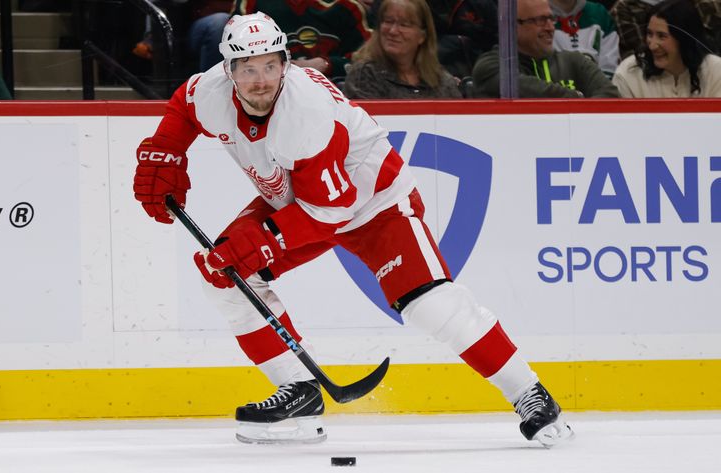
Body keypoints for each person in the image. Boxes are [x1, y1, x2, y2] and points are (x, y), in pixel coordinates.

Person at [133, 11, 574, 447]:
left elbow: (332, 209)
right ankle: (299, 390)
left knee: (430, 305)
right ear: (228, 70)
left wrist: (266, 240)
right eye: (248, 69)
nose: (261, 79)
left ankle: (530, 394)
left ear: (286, 63)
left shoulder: (305, 113)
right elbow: (183, 108)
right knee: (224, 276)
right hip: (297, 198)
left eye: (270, 65)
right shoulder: (209, 91)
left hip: (374, 203)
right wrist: (166, 152)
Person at [471, 0, 620, 97]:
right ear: (512, 26)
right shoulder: (491, 66)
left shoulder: (575, 62)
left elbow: (610, 95)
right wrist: (576, 97)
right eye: (541, 20)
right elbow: (520, 88)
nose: (550, 27)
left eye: (551, 18)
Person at [344, 0, 461, 99]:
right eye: (388, 22)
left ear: (422, 36)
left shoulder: (442, 81)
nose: (393, 31)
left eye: (404, 25)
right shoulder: (364, 75)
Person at [232, 0, 372, 81]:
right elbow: (236, 54)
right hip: (270, 89)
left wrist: (325, 64)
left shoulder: (347, 6)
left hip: (336, 94)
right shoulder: (253, 4)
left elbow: (369, 62)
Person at [612, 0, 721, 97]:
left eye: (662, 36)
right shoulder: (628, 73)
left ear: (684, 40)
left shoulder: (715, 70)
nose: (652, 46)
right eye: (649, 34)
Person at [550, 0, 620, 77]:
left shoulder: (600, 14)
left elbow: (610, 69)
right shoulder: (537, 16)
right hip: (553, 87)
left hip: (598, 86)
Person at [431, 0, 498, 80]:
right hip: (442, 62)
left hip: (482, 63)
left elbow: (497, 36)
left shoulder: (481, 4)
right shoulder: (425, 5)